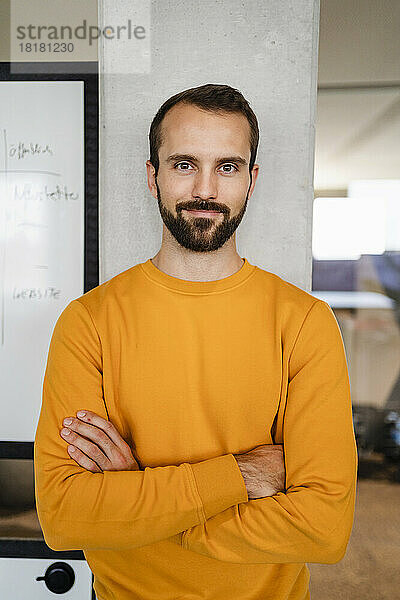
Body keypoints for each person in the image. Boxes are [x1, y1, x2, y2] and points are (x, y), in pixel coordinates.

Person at [34, 83, 358, 600]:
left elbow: (323, 528)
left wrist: (142, 501)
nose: (205, 190)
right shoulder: (88, 322)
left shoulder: (304, 322)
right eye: (184, 164)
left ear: (251, 181)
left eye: (226, 167)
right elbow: (65, 517)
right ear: (152, 175)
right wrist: (239, 477)